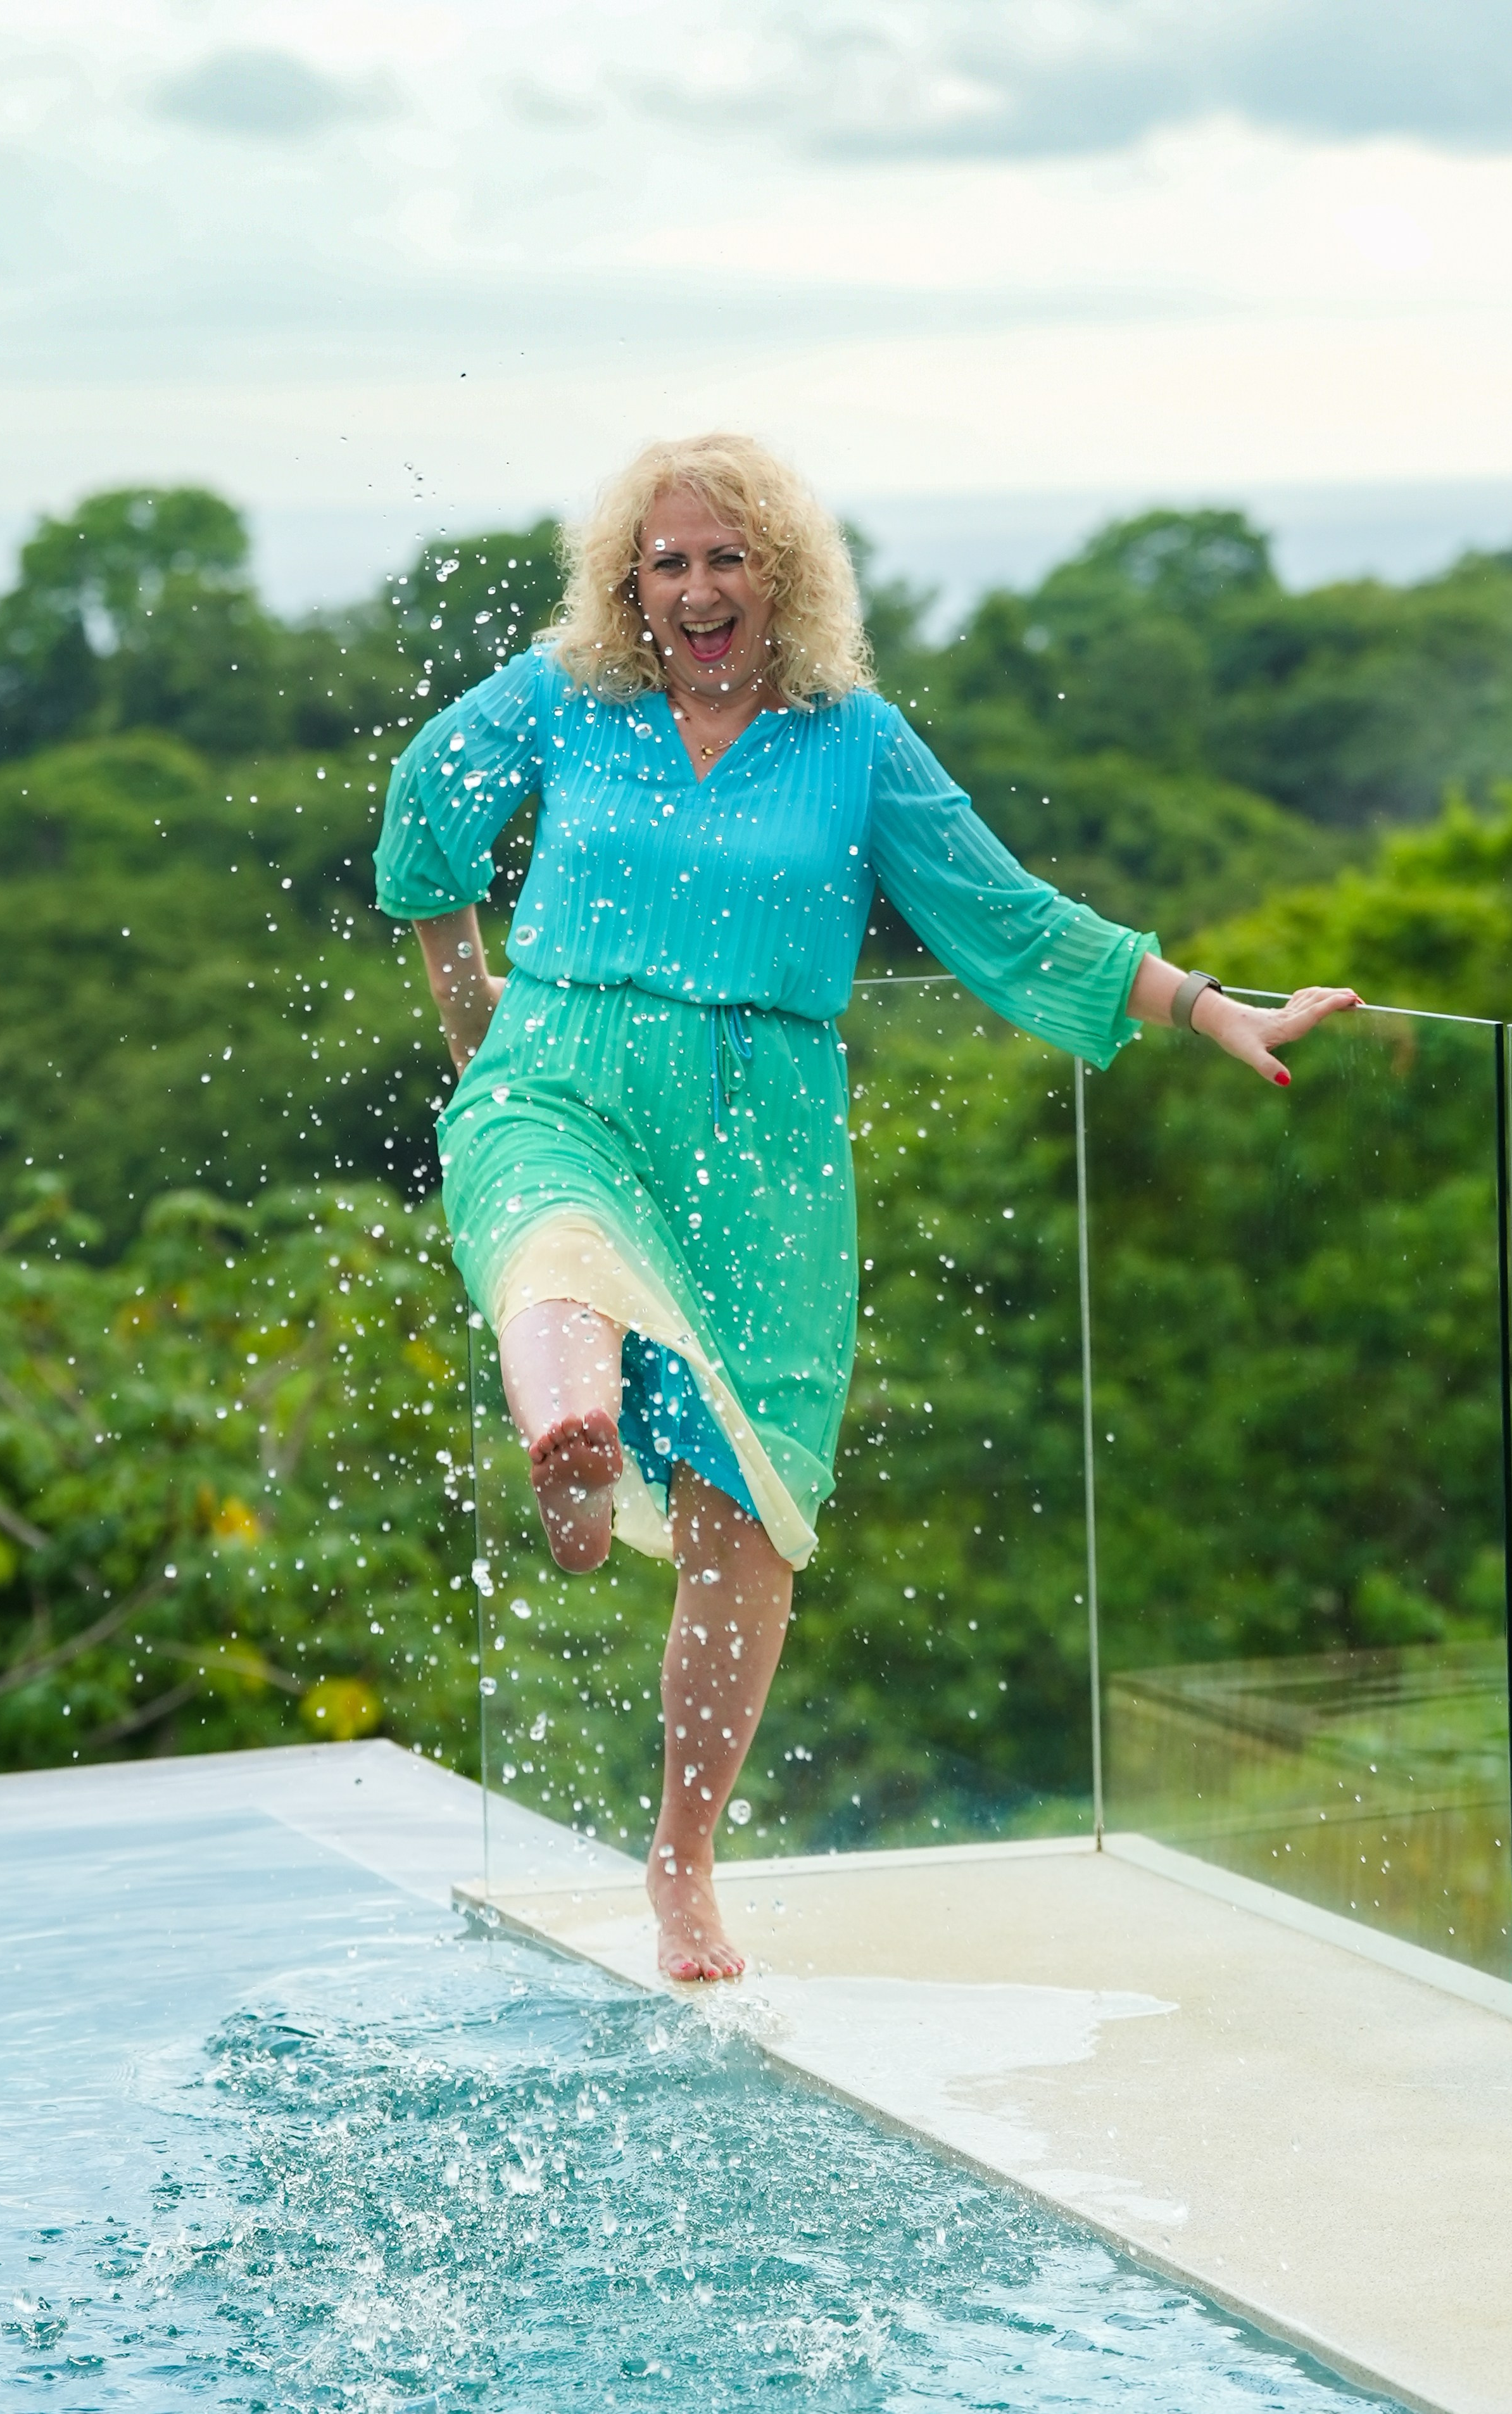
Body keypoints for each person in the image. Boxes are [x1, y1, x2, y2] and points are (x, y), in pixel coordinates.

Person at [374, 433, 1357, 1983]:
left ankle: (680, 1860)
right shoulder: (569, 697)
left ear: (783, 576)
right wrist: (468, 1009)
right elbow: (427, 810)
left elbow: (1005, 918)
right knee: (549, 1250)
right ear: (627, 582)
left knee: (747, 1515)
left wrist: (1206, 1006)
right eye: (668, 561)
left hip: (762, 1145)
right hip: (558, 1066)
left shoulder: (855, 742)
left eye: (727, 558)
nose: (697, 588)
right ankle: (568, 1439)